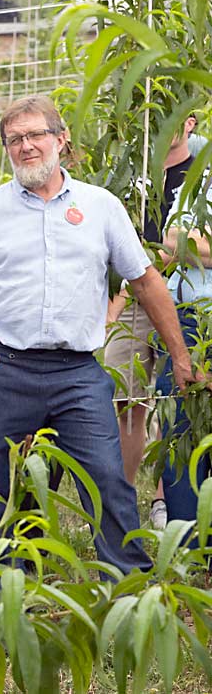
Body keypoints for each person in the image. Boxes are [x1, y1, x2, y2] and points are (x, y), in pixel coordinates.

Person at [0, 95, 200, 575]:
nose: (25, 147)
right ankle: (3, 585)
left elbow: (146, 281)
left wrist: (181, 356)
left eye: (35, 135)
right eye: (14, 140)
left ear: (61, 140)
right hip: (0, 366)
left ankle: (128, 580)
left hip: (78, 372)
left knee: (107, 475)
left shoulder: (101, 207)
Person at [105, 113, 198, 529]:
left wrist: (156, 257)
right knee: (126, 398)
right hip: (132, 295)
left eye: (174, 115)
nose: (162, 123)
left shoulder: (203, 171)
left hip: (189, 294)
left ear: (191, 123)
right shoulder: (131, 167)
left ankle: (166, 499)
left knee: (181, 398)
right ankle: (122, 500)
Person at [153, 114, 212, 529]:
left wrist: (183, 243)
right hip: (186, 315)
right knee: (177, 423)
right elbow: (169, 240)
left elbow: (176, 242)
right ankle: (186, 545)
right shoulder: (200, 179)